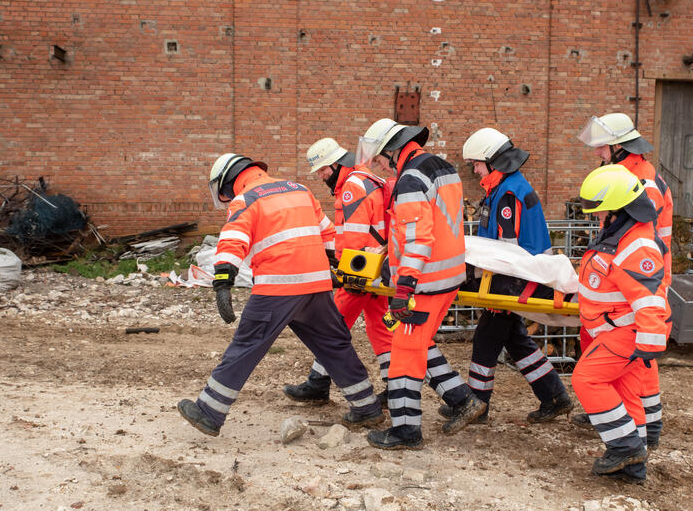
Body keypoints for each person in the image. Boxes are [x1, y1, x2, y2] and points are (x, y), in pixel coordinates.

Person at [176, 153, 385, 437]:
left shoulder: (246, 199)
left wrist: (223, 282)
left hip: (278, 287)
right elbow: (329, 236)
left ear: (227, 183)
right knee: (334, 344)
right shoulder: (299, 189)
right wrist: (340, 267)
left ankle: (209, 412)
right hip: (316, 284)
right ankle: (366, 407)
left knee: (247, 345)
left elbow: (233, 241)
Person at [356, 118, 486, 450]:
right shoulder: (441, 167)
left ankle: (405, 431)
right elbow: (440, 225)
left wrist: (403, 288)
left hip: (423, 284)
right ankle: (460, 399)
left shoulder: (411, 178)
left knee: (403, 356)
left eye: (382, 159)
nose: (381, 166)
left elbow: (418, 240)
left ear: (392, 151)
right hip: (447, 276)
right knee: (416, 343)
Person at [439, 128, 572, 424]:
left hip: (513, 279)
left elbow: (507, 252)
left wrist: (494, 288)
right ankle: (555, 396)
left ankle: (477, 404)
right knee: (515, 339)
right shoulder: (506, 188)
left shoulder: (509, 193)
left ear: (493, 161)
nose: (474, 169)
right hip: (518, 276)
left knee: (486, 339)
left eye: (476, 163)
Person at [573, 113, 673, 449]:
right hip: (633, 277)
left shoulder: (641, 181)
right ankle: (637, 431)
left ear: (618, 146)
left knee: (639, 358)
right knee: (631, 365)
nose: (598, 153)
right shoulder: (627, 175)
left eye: (602, 147)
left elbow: (643, 240)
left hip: (643, 278)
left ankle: (646, 429)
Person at [283, 138, 394, 404]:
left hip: (360, 272)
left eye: (322, 170)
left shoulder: (351, 187)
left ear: (335, 163)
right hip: (375, 268)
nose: (321, 176)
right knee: (380, 328)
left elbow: (354, 236)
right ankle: (394, 387)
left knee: (329, 327)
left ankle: (319, 384)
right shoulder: (364, 178)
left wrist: (343, 273)